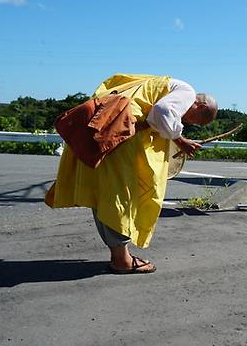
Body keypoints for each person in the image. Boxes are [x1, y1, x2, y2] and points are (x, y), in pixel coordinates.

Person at [45, 74, 217, 274]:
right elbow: (162, 111)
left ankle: (118, 255)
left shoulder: (157, 84)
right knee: (120, 196)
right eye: (196, 121)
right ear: (200, 106)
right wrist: (180, 140)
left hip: (104, 127)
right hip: (122, 135)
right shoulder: (188, 91)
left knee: (104, 194)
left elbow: (151, 111)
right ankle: (121, 260)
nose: (188, 122)